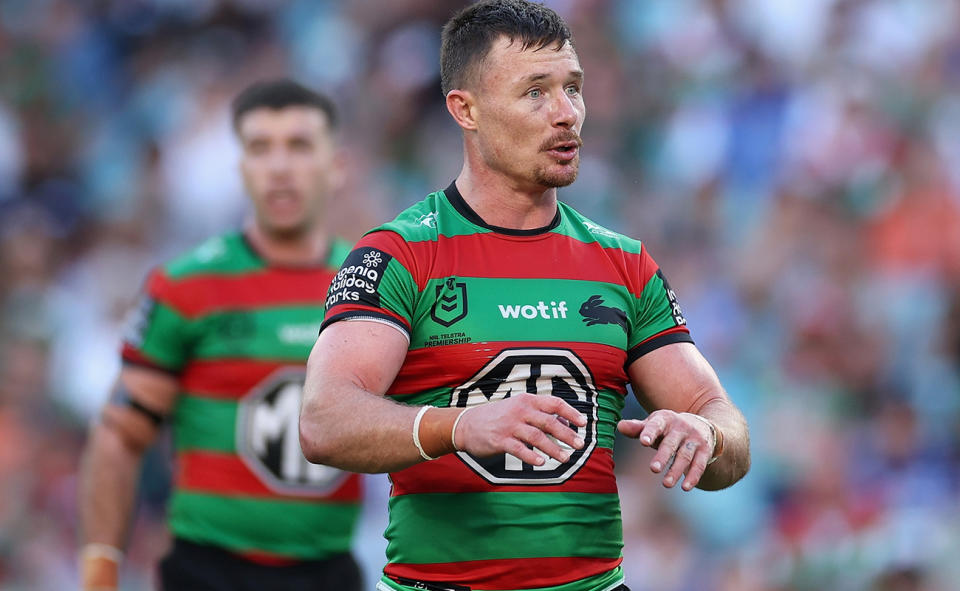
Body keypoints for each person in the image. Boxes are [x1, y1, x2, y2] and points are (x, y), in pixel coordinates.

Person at [299, 1, 750, 590]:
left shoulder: (624, 265)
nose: (566, 114)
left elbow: (726, 430)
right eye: (535, 92)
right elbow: (322, 420)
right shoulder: (400, 255)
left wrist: (708, 436)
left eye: (574, 88)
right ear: (467, 110)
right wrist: (458, 427)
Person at [78, 79, 364, 591]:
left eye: (299, 146)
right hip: (207, 571)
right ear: (240, 167)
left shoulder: (378, 288)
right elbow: (120, 434)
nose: (279, 166)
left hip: (329, 571)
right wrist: (100, 568)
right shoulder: (185, 286)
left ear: (336, 165)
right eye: (260, 148)